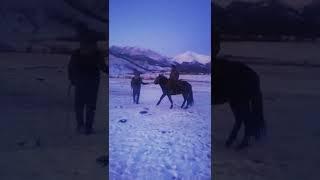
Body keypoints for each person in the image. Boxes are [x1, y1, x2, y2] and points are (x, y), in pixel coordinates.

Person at [68, 26, 107, 135]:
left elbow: (71, 67)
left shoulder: (77, 52)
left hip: (81, 82)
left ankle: (81, 126)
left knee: (79, 105)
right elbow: (103, 67)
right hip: (92, 83)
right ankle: (88, 127)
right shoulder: (97, 53)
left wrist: (72, 79)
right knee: (90, 106)